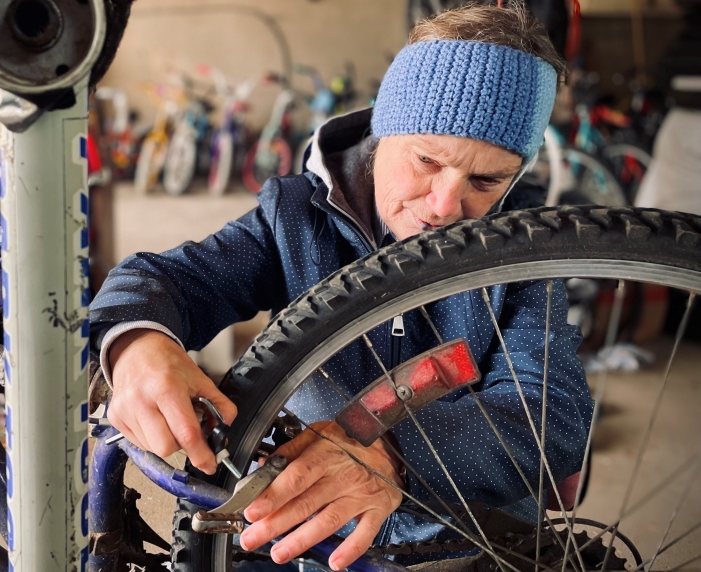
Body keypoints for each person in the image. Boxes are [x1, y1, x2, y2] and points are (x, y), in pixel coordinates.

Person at [90, 4, 593, 570]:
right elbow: (167, 280)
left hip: (464, 541)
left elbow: (553, 416)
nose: (446, 205)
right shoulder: (295, 220)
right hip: (305, 536)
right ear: (384, 131)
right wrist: (136, 345)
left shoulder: (522, 253)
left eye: (486, 179)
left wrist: (400, 457)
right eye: (427, 160)